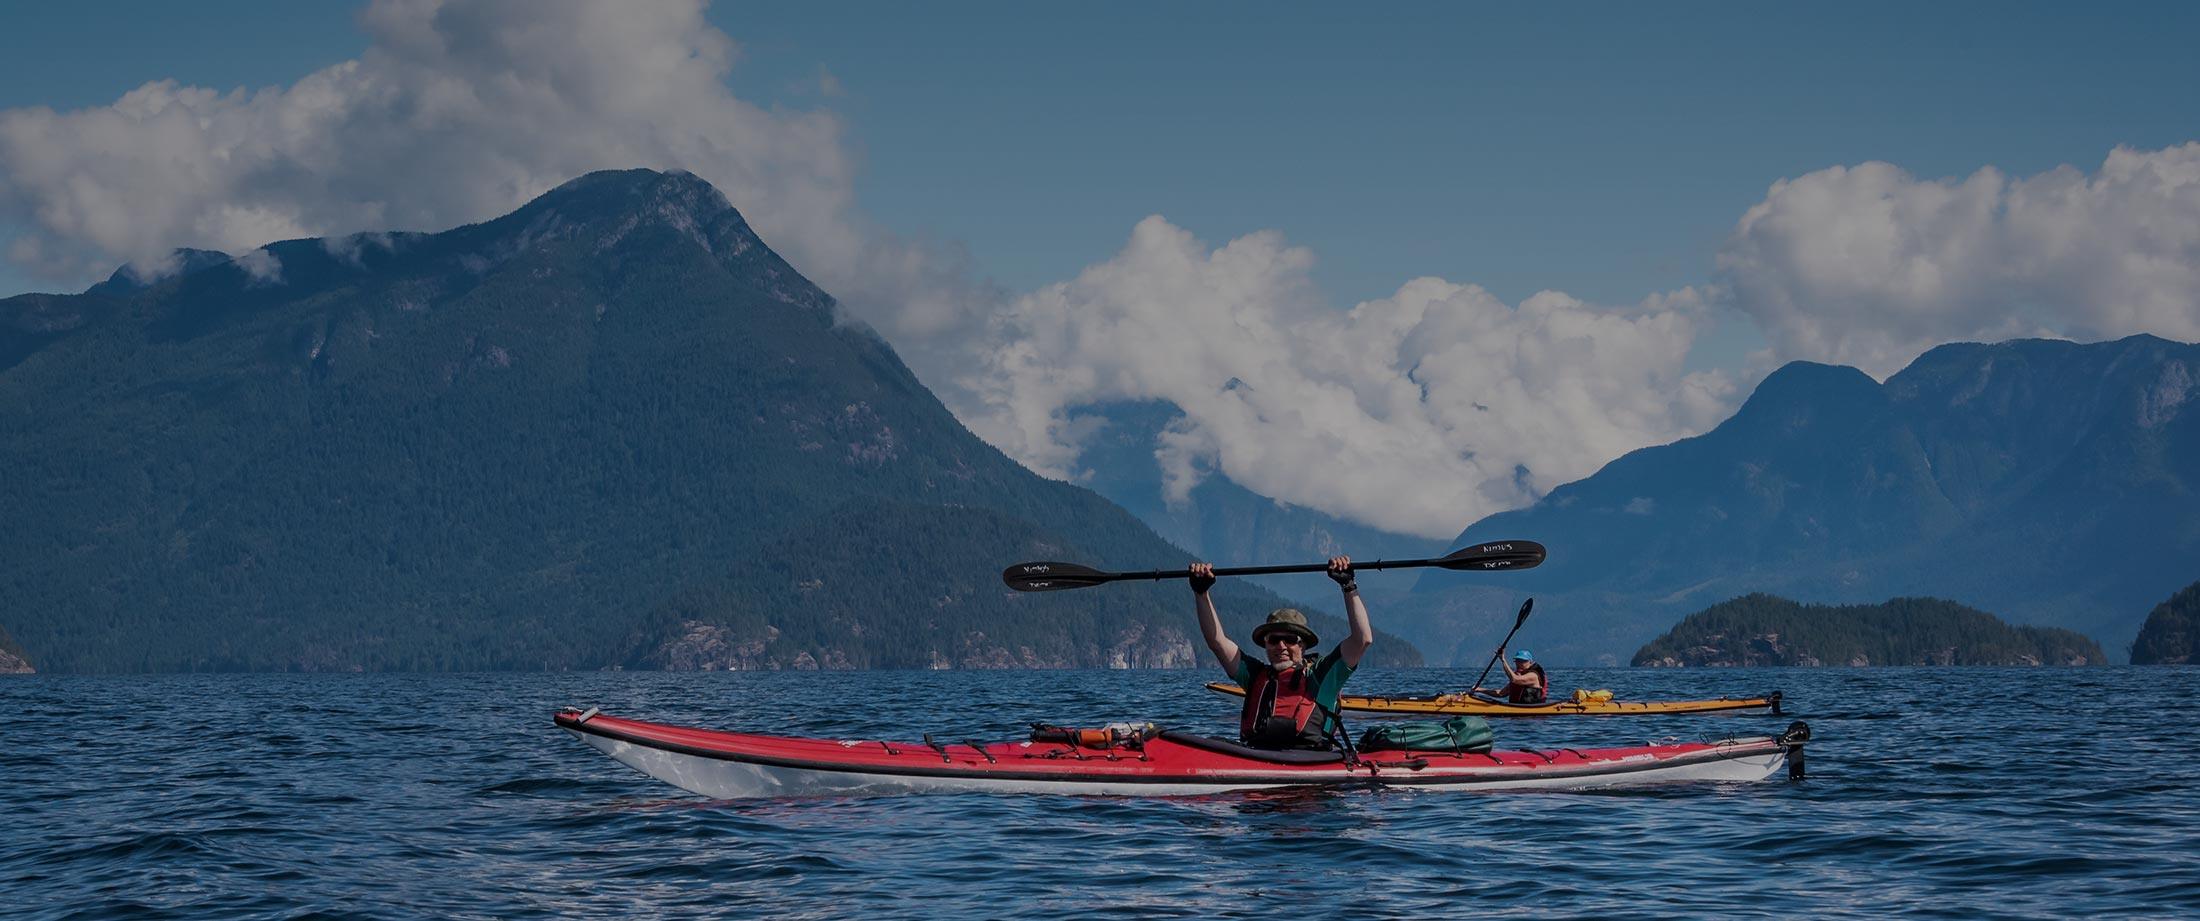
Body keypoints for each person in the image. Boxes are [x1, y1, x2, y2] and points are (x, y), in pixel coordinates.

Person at [1189, 556, 1373, 750]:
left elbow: (1362, 639)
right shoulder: (1254, 675)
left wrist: (1348, 586)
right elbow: (1217, 642)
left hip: (1310, 759)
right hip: (1257, 754)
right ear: (1266, 644)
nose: (1281, 646)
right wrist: (1201, 593)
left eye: (1290, 640)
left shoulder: (1321, 676)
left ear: (1302, 646)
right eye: (1274, 640)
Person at [1478, 648, 1548, 704]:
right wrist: (1479, 690)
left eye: (1522, 661)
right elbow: (1501, 693)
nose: (1518, 663)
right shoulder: (1521, 675)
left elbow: (1515, 679)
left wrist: (1503, 660)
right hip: (1516, 714)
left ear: (1530, 662)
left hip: (1529, 715)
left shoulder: (1533, 676)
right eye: (1517, 661)